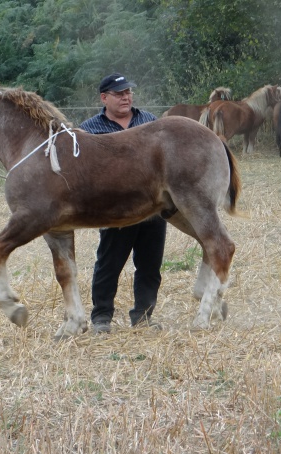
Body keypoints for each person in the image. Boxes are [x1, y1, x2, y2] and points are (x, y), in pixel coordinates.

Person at [80, 73, 167, 334]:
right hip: (115, 210)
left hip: (152, 206)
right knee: (109, 263)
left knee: (150, 265)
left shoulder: (150, 121)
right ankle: (101, 317)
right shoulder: (89, 130)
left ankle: (143, 316)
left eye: (128, 92)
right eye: (119, 93)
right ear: (104, 98)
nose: (126, 96)